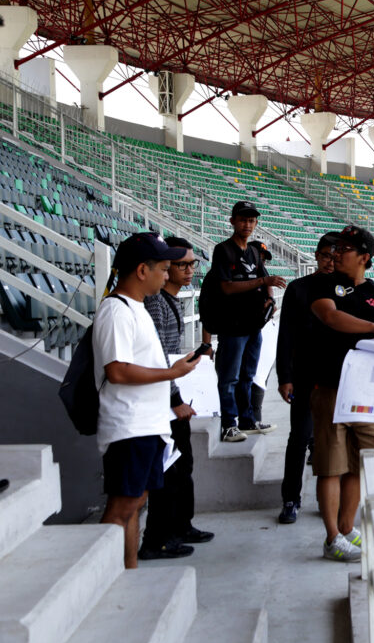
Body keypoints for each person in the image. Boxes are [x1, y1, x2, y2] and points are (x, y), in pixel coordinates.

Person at [93, 232, 199, 568]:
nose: (166, 276)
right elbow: (118, 371)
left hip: (148, 425)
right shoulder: (116, 311)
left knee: (137, 501)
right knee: (122, 506)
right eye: (164, 269)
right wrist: (173, 374)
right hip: (129, 426)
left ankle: (128, 572)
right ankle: (97, 575)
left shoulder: (137, 308)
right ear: (142, 270)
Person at [309, 225, 374, 561]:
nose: (336, 253)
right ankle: (332, 537)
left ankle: (347, 528)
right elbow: (331, 318)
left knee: (358, 465)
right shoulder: (324, 285)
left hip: (367, 395)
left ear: (364, 257)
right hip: (331, 389)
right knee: (331, 466)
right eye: (335, 248)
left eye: (345, 249)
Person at [139, 237, 215, 560]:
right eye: (181, 264)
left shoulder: (171, 300)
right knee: (171, 470)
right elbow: (156, 359)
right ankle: (160, 536)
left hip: (172, 394)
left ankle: (181, 525)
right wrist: (175, 401)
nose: (188, 270)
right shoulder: (155, 304)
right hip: (164, 402)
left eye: (191, 264)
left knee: (183, 466)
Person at [275, 232, 340, 524]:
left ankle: (327, 500)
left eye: (336, 257)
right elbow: (285, 335)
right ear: (316, 255)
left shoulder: (346, 291)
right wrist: (284, 376)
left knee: (331, 442)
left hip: (337, 380)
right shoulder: (298, 289)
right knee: (299, 438)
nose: (330, 262)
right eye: (326, 255)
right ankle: (291, 499)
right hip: (303, 377)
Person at [208, 201, 285, 443]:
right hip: (233, 326)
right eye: (243, 219)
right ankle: (228, 424)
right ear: (232, 221)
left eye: (252, 220)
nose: (247, 224)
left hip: (254, 325)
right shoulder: (223, 250)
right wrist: (263, 283)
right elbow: (227, 287)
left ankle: (247, 420)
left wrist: (269, 301)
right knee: (229, 377)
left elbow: (265, 279)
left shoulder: (253, 252)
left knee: (247, 376)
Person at [247, 240, 277, 429]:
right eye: (258, 257)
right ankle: (245, 421)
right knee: (248, 378)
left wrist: (271, 300)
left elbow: (270, 297)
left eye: (264, 259)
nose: (261, 262)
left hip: (263, 333)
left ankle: (255, 419)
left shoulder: (262, 274)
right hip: (244, 332)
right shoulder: (243, 276)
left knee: (260, 377)